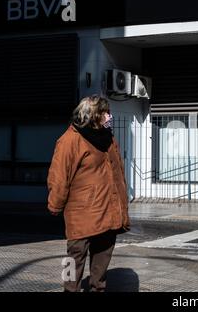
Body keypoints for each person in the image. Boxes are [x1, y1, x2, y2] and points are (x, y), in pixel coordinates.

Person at [47, 95, 130, 292]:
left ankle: (97, 288)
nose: (109, 116)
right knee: (73, 256)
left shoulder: (108, 139)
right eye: (105, 112)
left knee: (102, 258)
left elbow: (118, 173)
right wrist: (55, 204)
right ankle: (69, 289)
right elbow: (59, 175)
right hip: (81, 213)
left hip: (108, 211)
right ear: (93, 115)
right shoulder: (70, 139)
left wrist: (121, 205)